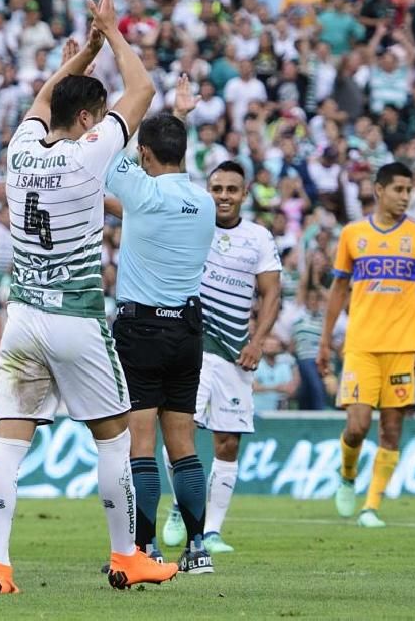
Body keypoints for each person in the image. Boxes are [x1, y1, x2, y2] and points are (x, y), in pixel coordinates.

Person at [0, 0, 177, 594]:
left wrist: (81, 55)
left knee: (10, 439)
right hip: (76, 317)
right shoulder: (88, 154)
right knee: (113, 435)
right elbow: (143, 91)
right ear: (90, 121)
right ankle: (126, 557)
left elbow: (44, 98)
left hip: (22, 317)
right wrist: (112, 34)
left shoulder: (19, 150)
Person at [103, 76, 216, 575]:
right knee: (185, 445)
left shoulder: (142, 194)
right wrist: (180, 117)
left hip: (142, 330)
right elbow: (171, 163)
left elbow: (112, 154)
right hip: (188, 332)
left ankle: (146, 549)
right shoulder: (206, 202)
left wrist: (152, 125)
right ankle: (198, 548)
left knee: (141, 445)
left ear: (147, 154)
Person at [161, 161, 281, 554]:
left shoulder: (259, 237)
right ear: (207, 191)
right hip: (191, 346)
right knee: (180, 432)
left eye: (232, 189)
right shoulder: (192, 224)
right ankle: (180, 506)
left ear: (245, 194)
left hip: (234, 352)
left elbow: (271, 294)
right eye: (218, 188)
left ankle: (211, 531)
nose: (225, 196)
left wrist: (257, 341)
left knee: (228, 441)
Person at [318, 162, 415, 528]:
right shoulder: (353, 234)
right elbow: (339, 289)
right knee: (356, 426)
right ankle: (347, 473)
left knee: (391, 430)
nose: (405, 197)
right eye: (399, 189)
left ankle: (371, 506)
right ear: (379, 190)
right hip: (361, 345)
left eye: (409, 191)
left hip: (403, 347)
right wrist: (325, 341)